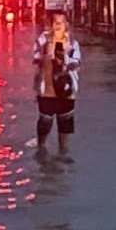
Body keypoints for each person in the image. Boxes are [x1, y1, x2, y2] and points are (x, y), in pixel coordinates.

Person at [32, 10, 81, 155]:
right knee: (44, 124)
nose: (58, 25)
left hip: (66, 91)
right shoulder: (43, 39)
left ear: (67, 24)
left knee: (64, 128)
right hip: (46, 90)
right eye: (55, 22)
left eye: (61, 22)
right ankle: (41, 150)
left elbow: (77, 63)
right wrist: (47, 54)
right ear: (51, 24)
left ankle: (63, 157)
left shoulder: (72, 43)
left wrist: (64, 59)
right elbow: (35, 58)